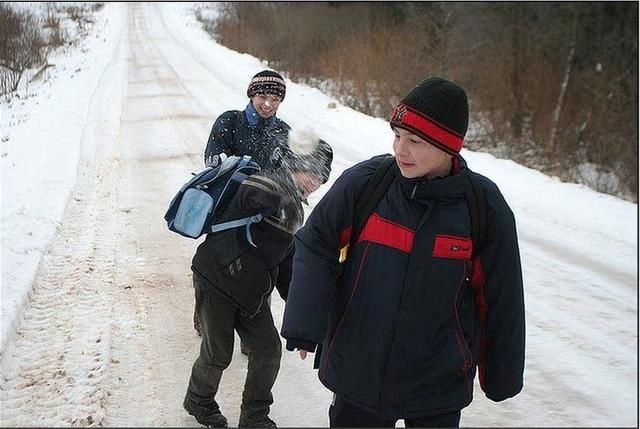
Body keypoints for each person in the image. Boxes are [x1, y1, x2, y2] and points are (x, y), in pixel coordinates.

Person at [281, 77, 525, 428]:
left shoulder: (483, 208)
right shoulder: (366, 184)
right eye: (396, 136)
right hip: (359, 370)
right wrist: (306, 320)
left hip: (436, 382)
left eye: (414, 141)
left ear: (449, 147)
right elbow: (316, 243)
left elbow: (502, 297)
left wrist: (501, 374)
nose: (400, 149)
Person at [183, 141, 334, 428]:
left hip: (251, 292)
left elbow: (287, 264)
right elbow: (254, 194)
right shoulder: (267, 183)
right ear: (295, 165)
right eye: (312, 172)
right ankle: (198, 400)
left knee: (267, 350)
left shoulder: (296, 211)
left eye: (321, 177)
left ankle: (255, 415)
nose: (315, 182)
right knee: (218, 353)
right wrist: (284, 187)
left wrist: (301, 310)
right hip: (216, 279)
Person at [194, 69, 291, 338]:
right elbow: (214, 163)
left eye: (275, 98)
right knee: (217, 266)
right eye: (262, 96)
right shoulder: (230, 122)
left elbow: (290, 174)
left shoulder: (284, 133)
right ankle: (206, 314)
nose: (268, 104)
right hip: (228, 212)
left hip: (264, 216)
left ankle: (253, 335)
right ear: (251, 95)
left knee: (262, 270)